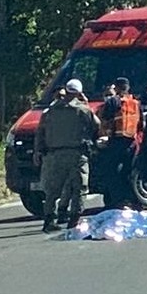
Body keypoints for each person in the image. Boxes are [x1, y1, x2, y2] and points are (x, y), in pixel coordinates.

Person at [35, 79, 100, 232]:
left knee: (53, 189)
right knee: (79, 187)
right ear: (78, 92)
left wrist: (38, 150)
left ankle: (49, 219)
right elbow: (96, 124)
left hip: (54, 154)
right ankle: (74, 220)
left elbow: (41, 132)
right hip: (76, 153)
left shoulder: (50, 111)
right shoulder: (82, 110)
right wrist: (86, 103)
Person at [98, 77, 140, 209]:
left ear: (116, 88)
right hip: (132, 143)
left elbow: (104, 119)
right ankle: (131, 201)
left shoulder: (113, 102)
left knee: (111, 172)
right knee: (128, 173)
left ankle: (116, 201)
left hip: (116, 142)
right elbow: (141, 124)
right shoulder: (136, 103)